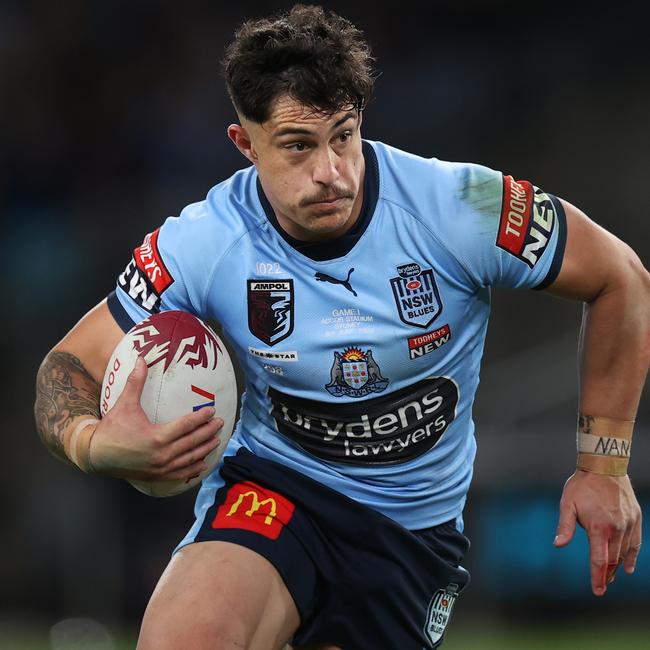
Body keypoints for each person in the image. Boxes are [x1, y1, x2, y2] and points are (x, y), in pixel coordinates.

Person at [34, 5, 649, 649]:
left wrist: (602, 468)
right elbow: (68, 365)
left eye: (344, 136)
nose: (331, 171)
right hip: (276, 491)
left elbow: (622, 279)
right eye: (298, 145)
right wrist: (93, 444)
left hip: (412, 533)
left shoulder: (460, 207)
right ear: (245, 144)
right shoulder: (204, 242)